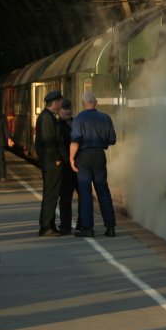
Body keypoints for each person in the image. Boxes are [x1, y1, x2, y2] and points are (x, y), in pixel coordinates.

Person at [70, 90, 117, 237]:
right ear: (95, 103)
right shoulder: (105, 118)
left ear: (84, 103)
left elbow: (75, 141)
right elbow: (112, 139)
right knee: (103, 190)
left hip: (83, 157)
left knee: (85, 192)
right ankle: (110, 228)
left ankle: (87, 228)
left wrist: (72, 158)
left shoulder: (78, 119)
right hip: (99, 155)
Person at [35, 91, 65, 237]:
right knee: (51, 194)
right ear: (54, 103)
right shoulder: (47, 118)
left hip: (49, 162)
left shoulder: (47, 117)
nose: (61, 104)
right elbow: (49, 141)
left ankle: (50, 224)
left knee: (51, 194)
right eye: (60, 102)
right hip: (51, 163)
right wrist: (57, 158)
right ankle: (46, 227)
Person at [57, 99, 76, 235]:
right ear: (59, 110)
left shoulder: (77, 122)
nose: (67, 111)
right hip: (65, 167)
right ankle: (65, 226)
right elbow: (59, 146)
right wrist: (66, 160)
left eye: (69, 108)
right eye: (64, 108)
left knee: (83, 196)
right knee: (65, 198)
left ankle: (82, 224)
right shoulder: (57, 126)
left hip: (77, 166)